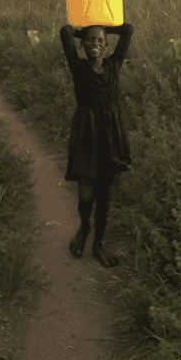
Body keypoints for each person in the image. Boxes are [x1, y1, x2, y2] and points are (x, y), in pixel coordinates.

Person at [59, 22, 134, 267]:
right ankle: (84, 227)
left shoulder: (114, 63)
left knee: (105, 195)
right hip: (86, 135)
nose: (96, 44)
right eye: (90, 41)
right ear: (82, 45)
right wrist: (85, 31)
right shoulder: (78, 67)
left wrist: (103, 28)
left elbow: (128, 30)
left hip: (111, 135)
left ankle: (98, 244)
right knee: (86, 194)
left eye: (100, 41)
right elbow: (64, 32)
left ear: (106, 44)